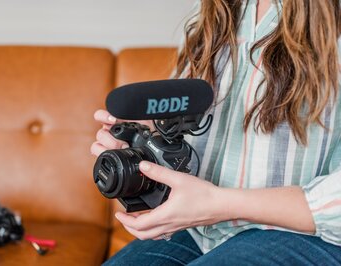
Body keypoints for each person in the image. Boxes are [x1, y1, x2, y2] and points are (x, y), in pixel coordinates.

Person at [91, 0, 341, 265]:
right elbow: (198, 137)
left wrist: (219, 204)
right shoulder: (213, 11)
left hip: (309, 234)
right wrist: (149, 141)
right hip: (205, 229)